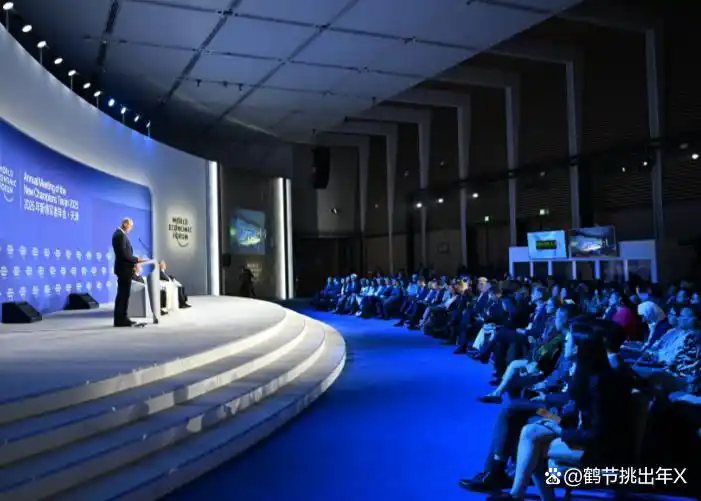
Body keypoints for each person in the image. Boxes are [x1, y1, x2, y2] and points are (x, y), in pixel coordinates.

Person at [112, 218, 147, 327]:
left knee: (122, 295)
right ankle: (121, 320)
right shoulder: (120, 235)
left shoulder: (119, 234)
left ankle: (121, 318)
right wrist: (137, 259)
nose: (131, 229)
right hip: (124, 269)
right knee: (123, 295)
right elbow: (124, 255)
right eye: (131, 226)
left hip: (124, 269)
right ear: (125, 224)